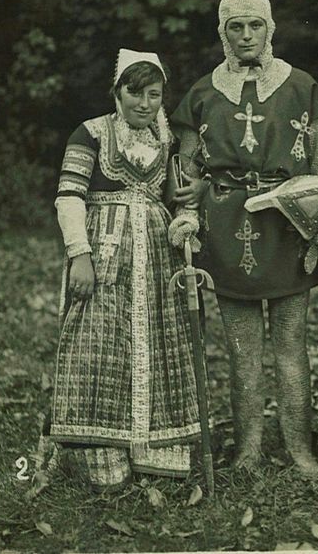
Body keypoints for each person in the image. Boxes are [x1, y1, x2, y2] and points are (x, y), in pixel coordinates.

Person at [168, 0, 318, 476]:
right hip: (226, 228)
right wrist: (188, 208)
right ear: (222, 32)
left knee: (291, 348)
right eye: (235, 26)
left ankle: (302, 454)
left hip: (288, 223)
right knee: (243, 353)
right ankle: (248, 452)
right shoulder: (202, 93)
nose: (246, 35)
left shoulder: (301, 85)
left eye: (255, 25)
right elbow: (186, 166)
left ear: (271, 28)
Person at [50, 49, 200, 490]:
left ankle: (154, 445)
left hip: (156, 258)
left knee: (157, 341)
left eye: (154, 94)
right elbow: (69, 197)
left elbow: (179, 200)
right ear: (117, 91)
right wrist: (80, 254)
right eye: (134, 92)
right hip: (104, 253)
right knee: (97, 339)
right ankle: (99, 447)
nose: (144, 103)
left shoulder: (167, 140)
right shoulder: (91, 133)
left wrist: (187, 221)